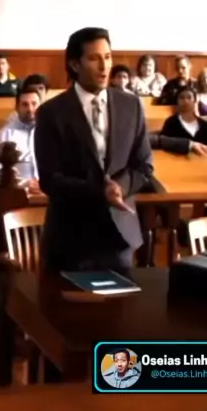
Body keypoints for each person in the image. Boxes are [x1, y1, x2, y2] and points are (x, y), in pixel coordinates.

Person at [34, 27, 153, 272]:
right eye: (94, 58)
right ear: (75, 64)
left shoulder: (131, 105)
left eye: (107, 57)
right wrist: (100, 191)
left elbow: (144, 165)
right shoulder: (51, 113)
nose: (104, 66)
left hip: (119, 237)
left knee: (124, 298)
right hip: (70, 239)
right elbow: (50, 179)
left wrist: (120, 187)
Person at [0, 86, 42, 194]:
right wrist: (25, 184)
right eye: (25, 104)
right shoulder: (5, 134)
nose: (30, 109)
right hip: (17, 193)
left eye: (34, 104)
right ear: (17, 107)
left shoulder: (49, 132)